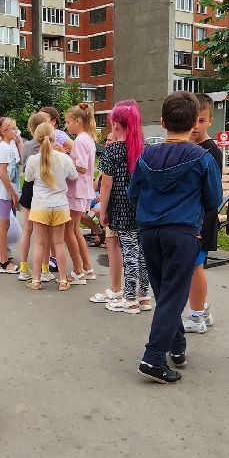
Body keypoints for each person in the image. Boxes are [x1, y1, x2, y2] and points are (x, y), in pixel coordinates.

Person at [129, 92, 223, 384]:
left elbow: (133, 194)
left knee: (165, 293)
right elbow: (214, 199)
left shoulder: (146, 156)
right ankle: (154, 357)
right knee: (173, 295)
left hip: (148, 231)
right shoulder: (202, 158)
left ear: (162, 122)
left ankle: (177, 347)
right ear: (194, 121)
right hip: (182, 232)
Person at [94, 101, 148, 313]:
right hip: (142, 208)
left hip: (121, 208)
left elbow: (106, 184)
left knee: (129, 252)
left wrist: (103, 211)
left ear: (116, 125)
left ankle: (129, 298)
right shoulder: (143, 149)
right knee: (142, 253)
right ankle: (144, 296)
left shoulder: (112, 150)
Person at [23, 120, 79, 291]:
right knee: (59, 243)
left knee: (39, 243)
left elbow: (29, 179)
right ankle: (62, 280)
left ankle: (36, 280)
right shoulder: (63, 158)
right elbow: (74, 176)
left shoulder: (33, 160)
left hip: (40, 205)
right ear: (55, 138)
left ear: (36, 139)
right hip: (60, 205)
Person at [184, 93, 223, 332]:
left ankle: (197, 316)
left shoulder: (210, 152)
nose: (196, 126)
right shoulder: (190, 148)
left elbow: (212, 194)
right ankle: (202, 308)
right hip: (190, 219)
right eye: (193, 121)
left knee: (195, 267)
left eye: (201, 120)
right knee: (191, 267)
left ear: (210, 121)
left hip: (202, 220)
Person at [15, 111, 50, 283]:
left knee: (27, 230)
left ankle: (23, 266)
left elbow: (24, 167)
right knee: (45, 233)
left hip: (30, 188)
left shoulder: (28, 146)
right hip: (47, 188)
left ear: (30, 129)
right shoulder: (52, 144)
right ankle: (44, 268)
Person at [65, 103, 97, 284]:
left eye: (69, 122)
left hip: (77, 190)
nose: (67, 125)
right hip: (83, 190)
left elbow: (82, 168)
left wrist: (66, 156)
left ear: (78, 121)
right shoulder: (88, 139)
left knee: (69, 231)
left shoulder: (79, 140)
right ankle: (87, 268)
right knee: (75, 230)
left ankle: (78, 272)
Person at [0, 116, 21, 273]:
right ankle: (3, 261)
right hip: (3, 192)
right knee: (3, 225)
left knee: (0, 225)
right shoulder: (4, 148)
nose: (16, 131)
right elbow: (2, 173)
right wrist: (13, 193)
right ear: (3, 131)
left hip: (5, 191)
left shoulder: (8, 146)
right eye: (13, 129)